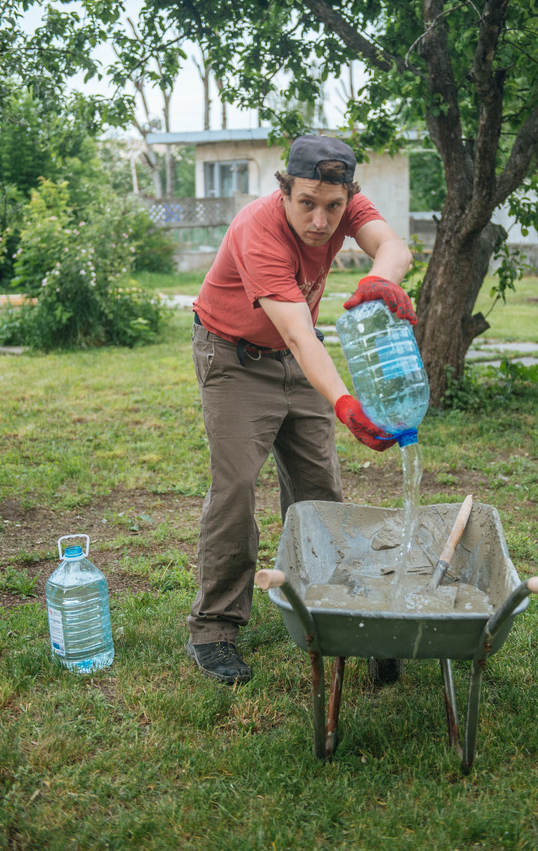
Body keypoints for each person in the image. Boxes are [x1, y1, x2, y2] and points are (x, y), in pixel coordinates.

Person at [187, 135, 416, 683]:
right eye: (306, 202)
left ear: (348, 196)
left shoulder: (343, 205)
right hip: (236, 358)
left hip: (298, 354)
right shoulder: (257, 228)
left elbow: (395, 247)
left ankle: (335, 614)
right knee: (237, 486)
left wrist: (380, 281)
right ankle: (214, 629)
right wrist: (344, 403)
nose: (320, 220)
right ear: (284, 190)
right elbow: (297, 333)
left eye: (333, 206)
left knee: (320, 491)